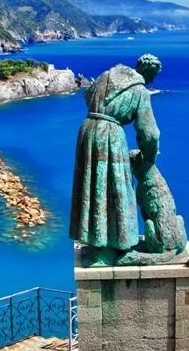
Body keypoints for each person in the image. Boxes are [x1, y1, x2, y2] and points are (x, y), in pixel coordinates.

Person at [69, 54, 162, 265]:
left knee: (92, 186)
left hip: (88, 131)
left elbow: (88, 95)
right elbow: (150, 133)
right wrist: (150, 154)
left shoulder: (106, 76)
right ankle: (116, 245)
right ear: (149, 73)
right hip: (110, 135)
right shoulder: (140, 90)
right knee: (117, 187)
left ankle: (97, 242)